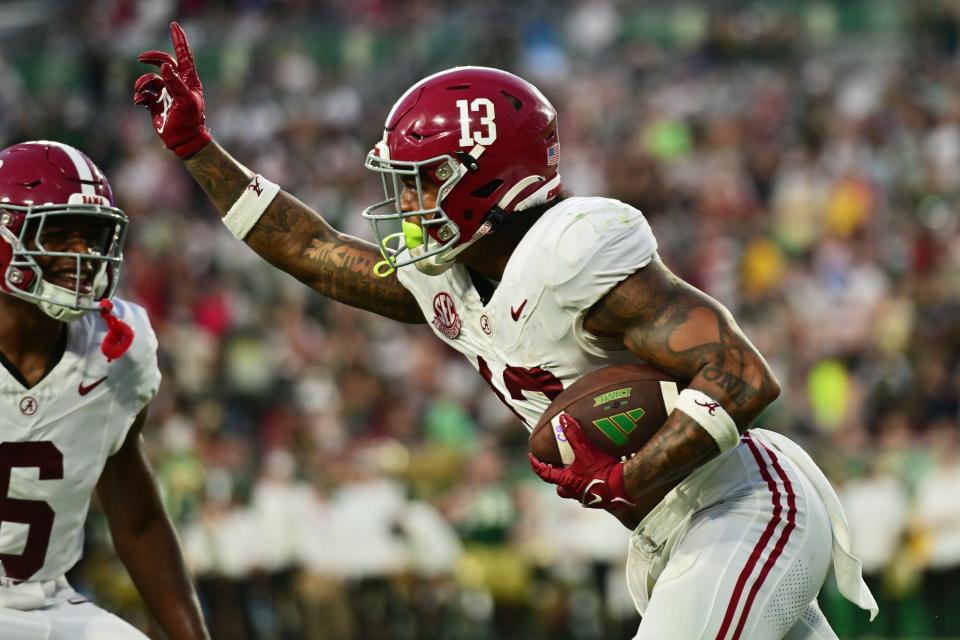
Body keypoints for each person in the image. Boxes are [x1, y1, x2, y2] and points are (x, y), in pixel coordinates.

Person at [134, 22, 877, 639]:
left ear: (487, 175)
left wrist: (630, 475)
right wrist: (201, 151)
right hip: (674, 530)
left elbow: (744, 375)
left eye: (424, 179)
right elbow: (311, 251)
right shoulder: (442, 276)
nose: (406, 200)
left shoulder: (575, 252)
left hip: (739, 507)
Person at [0, 140, 210, 639]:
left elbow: (138, 521)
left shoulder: (117, 351)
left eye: (92, 236)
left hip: (42, 602)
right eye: (58, 232)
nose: (82, 255)